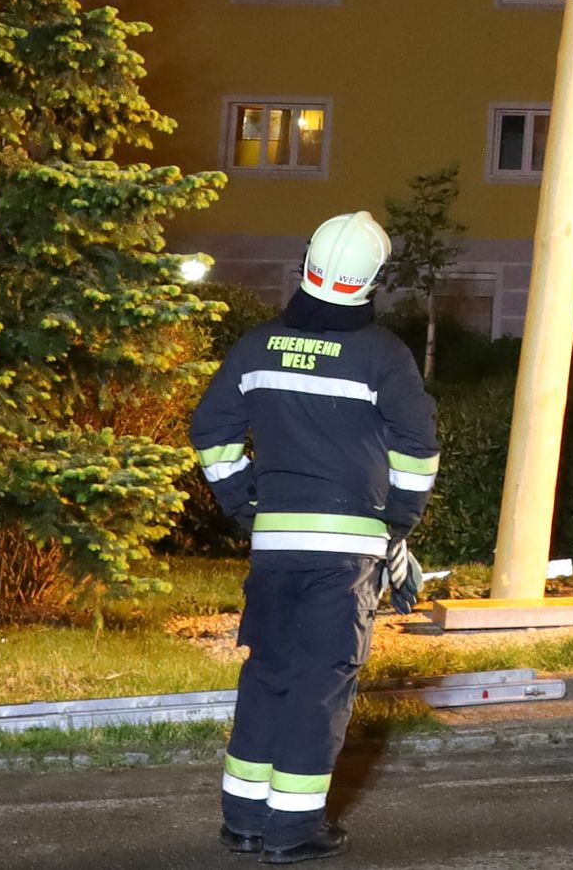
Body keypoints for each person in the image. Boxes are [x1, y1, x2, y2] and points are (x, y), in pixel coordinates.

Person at [190, 210, 443, 861]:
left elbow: (212, 430)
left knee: (268, 674)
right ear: (373, 281)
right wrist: (399, 521)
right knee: (320, 685)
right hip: (347, 552)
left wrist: (244, 504)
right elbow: (418, 447)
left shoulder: (257, 346)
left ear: (306, 264)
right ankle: (293, 829)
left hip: (275, 545)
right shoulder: (382, 355)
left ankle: (244, 820)